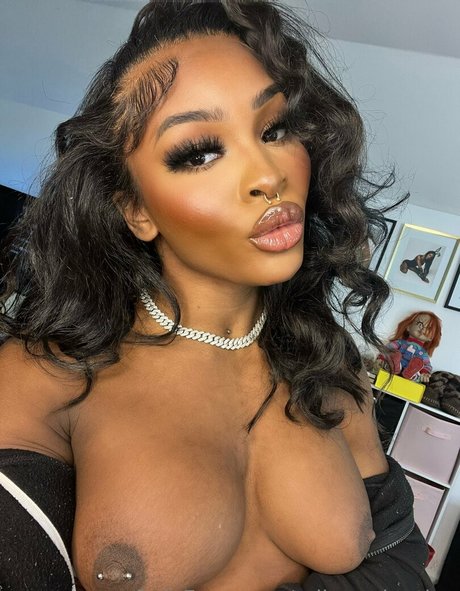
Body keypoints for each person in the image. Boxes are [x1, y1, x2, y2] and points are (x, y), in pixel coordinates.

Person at [0, 1, 433, 590]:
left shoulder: (332, 369)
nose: (268, 175)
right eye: (200, 152)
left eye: (275, 129)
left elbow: (402, 561)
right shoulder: (43, 377)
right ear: (136, 209)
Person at [377, 311, 442, 382]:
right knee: (392, 358)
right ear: (408, 326)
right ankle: (395, 366)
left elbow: (427, 365)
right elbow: (388, 349)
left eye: (429, 328)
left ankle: (411, 373)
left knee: (417, 373)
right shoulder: (400, 343)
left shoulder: (423, 354)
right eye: (420, 324)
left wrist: (425, 373)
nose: (423, 329)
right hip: (391, 370)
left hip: (408, 378)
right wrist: (381, 357)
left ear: (432, 337)